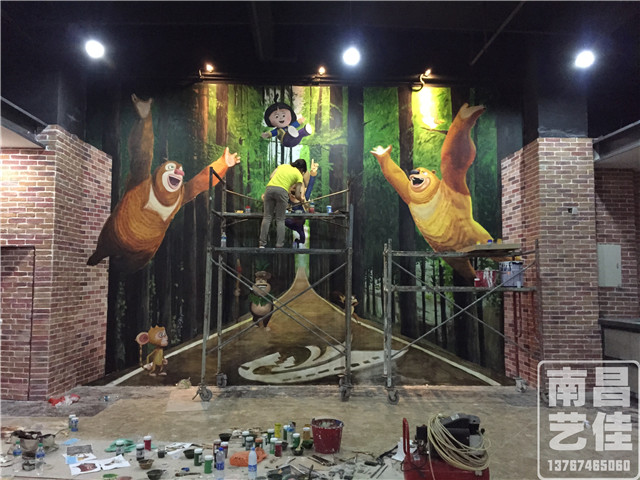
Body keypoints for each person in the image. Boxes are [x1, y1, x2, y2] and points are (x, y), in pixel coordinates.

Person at [259, 159, 307, 248]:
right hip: (282, 191)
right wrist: (301, 200)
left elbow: (271, 176)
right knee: (280, 219)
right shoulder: (299, 175)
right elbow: (297, 195)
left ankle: (262, 244)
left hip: (269, 189)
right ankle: (279, 245)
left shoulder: (283, 166)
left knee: (267, 217)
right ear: (302, 169)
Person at [286, 160, 318, 248]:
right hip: (290, 222)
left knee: (302, 239)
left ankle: (297, 242)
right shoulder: (287, 199)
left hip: (299, 224)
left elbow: (310, 186)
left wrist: (313, 173)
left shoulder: (304, 199)